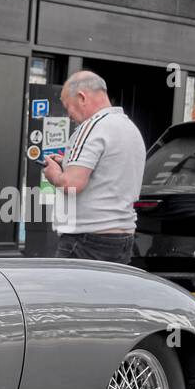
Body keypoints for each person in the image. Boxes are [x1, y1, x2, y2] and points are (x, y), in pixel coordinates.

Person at [42, 70, 145, 264]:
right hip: (122, 238)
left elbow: (71, 184)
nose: (69, 115)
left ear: (81, 97)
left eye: (67, 107)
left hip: (86, 239)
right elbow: (106, 174)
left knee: (64, 295)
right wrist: (67, 164)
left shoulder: (92, 127)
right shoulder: (130, 128)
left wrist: (54, 174)